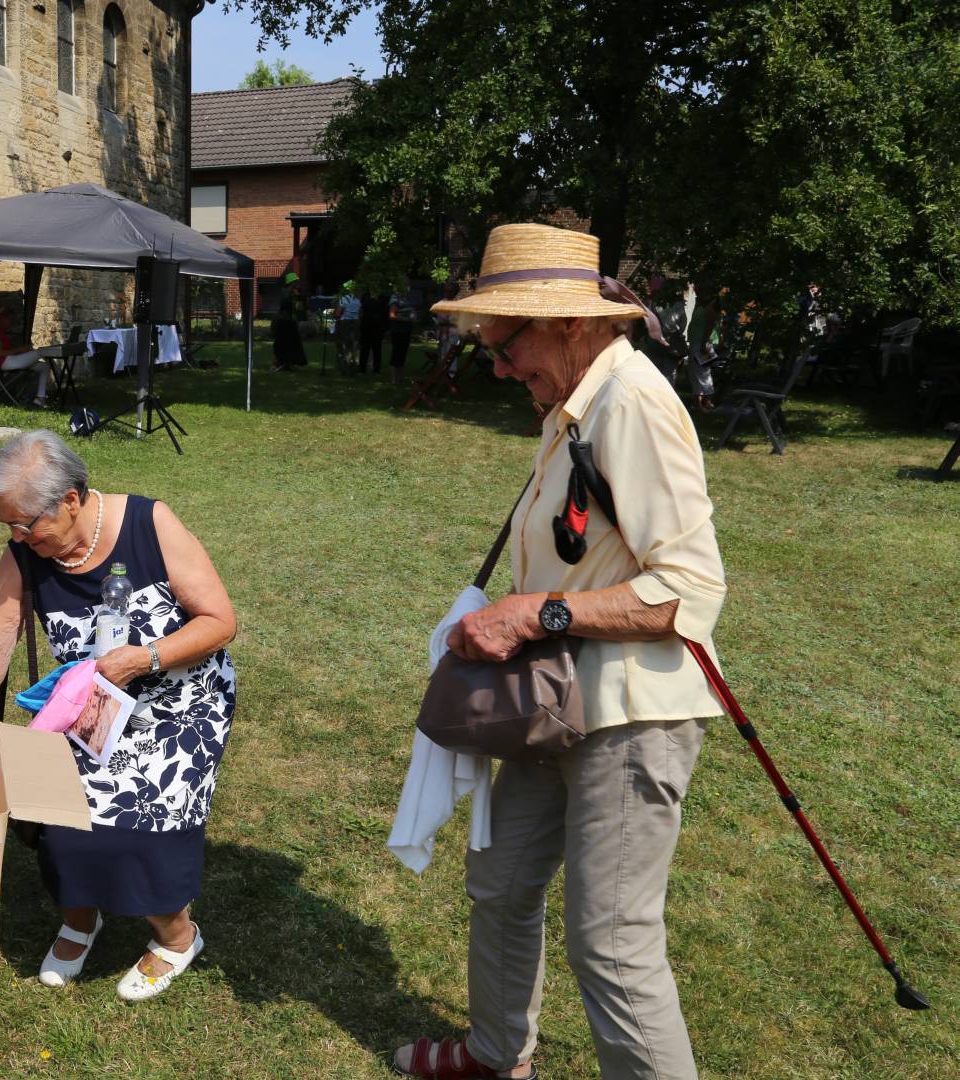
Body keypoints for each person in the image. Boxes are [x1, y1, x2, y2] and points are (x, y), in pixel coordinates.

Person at [395, 223, 727, 1080]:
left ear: (573, 325)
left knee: (613, 945)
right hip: (553, 707)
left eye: (508, 345)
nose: (500, 368)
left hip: (630, 715)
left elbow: (688, 591)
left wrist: (531, 614)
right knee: (501, 882)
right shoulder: (574, 403)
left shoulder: (632, 404)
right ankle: (497, 1056)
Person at [0, 430, 237, 1001]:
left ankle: (177, 938)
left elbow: (219, 621)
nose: (17, 536)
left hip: (182, 701)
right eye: (5, 524)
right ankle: (81, 921)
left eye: (26, 523)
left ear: (72, 500)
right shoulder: (24, 556)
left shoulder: (149, 523)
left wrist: (144, 658)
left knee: (141, 827)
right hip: (89, 709)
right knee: (59, 815)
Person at [0, 305, 50, 406]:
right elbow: (0, 352)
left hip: (11, 360)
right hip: (6, 362)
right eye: (10, 320)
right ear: (3, 318)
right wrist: (20, 349)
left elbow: (8, 349)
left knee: (44, 367)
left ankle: (40, 399)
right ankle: (54, 352)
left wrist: (22, 351)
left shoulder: (1, 332)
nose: (11, 323)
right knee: (40, 352)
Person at [270, 272, 307, 370]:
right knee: (281, 343)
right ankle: (278, 363)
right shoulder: (285, 292)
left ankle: (290, 363)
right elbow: (285, 303)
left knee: (293, 342)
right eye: (295, 281)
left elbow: (299, 307)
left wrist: (298, 297)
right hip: (283, 321)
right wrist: (293, 295)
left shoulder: (295, 293)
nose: (297, 283)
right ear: (291, 282)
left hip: (291, 321)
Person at [389, 282, 421, 385]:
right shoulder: (395, 299)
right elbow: (392, 315)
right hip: (398, 330)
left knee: (403, 353)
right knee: (397, 353)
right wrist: (405, 319)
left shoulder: (407, 299)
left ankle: (400, 377)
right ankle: (394, 379)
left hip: (406, 330)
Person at [333, 280, 362, 371]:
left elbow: (338, 313)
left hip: (345, 323)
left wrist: (334, 312)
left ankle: (346, 364)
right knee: (355, 344)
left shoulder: (344, 299)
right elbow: (361, 312)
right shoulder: (358, 300)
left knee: (345, 344)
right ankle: (355, 364)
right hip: (356, 322)